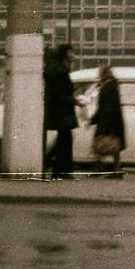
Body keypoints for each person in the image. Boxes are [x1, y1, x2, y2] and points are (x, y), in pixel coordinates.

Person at [44, 45, 80, 179]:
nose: (73, 55)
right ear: (65, 54)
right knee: (65, 142)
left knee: (63, 141)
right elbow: (59, 94)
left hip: (60, 112)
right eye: (71, 52)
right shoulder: (60, 71)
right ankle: (61, 171)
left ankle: (60, 170)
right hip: (62, 112)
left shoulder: (60, 69)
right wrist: (74, 101)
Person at [89, 65, 126, 174]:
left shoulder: (106, 87)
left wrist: (92, 120)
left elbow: (102, 107)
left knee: (98, 143)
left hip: (106, 121)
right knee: (115, 145)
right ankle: (117, 168)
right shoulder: (113, 85)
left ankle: (98, 168)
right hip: (115, 120)